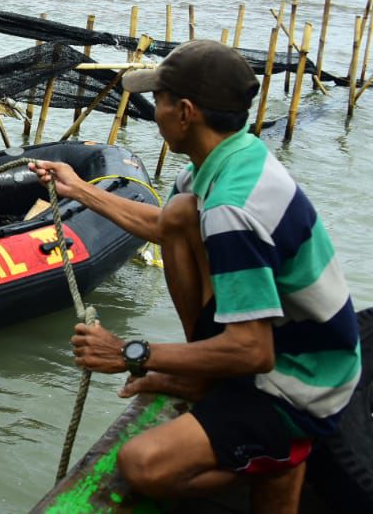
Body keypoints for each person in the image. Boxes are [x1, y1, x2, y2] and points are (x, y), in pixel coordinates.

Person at [29, 39, 361, 511]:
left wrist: (130, 352)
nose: (154, 110)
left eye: (160, 100)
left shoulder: (231, 211)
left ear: (185, 112)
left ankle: (283, 454)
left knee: (142, 464)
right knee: (181, 213)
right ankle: (214, 387)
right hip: (291, 346)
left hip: (302, 381)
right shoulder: (232, 158)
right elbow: (163, 226)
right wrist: (80, 190)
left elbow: (253, 350)